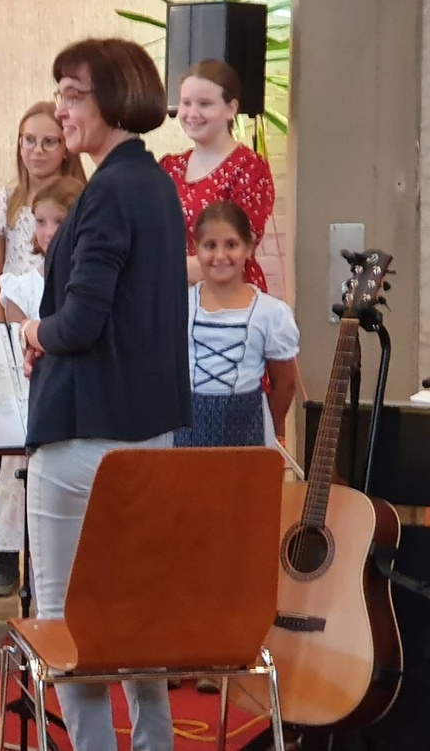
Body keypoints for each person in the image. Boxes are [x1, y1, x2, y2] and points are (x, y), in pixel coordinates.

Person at [18, 38, 191, 751]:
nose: (60, 109)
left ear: (115, 98)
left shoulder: (108, 192)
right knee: (135, 610)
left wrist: (34, 331)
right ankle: (153, 742)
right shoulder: (153, 184)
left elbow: (82, 322)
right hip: (149, 434)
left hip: (85, 433)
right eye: (59, 93)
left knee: (67, 619)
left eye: (72, 94)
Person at [176, 200, 299, 694]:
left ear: (250, 247)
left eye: (231, 244)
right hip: (185, 434)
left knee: (232, 545)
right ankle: (178, 646)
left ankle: (223, 649)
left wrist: (273, 430)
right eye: (209, 245)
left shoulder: (270, 313)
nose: (220, 254)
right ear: (196, 249)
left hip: (244, 431)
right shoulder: (180, 304)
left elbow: (284, 382)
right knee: (185, 541)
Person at [0, 102, 86, 597]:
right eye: (29, 140)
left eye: (49, 141)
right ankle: (6, 552)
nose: (38, 150)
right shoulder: (4, 204)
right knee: (10, 450)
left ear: (66, 147)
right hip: (17, 324)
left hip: (65, 328)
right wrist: (3, 337)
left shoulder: (84, 199)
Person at [0, 177, 85, 556]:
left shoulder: (86, 286)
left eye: (59, 221)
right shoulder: (21, 286)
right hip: (33, 398)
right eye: (41, 222)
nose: (48, 232)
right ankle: (10, 557)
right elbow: (19, 347)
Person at [159, 59, 275, 291]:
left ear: (231, 109)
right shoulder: (169, 167)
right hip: (174, 295)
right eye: (186, 103)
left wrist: (162, 266)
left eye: (204, 104)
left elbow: (234, 254)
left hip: (229, 298)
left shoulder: (249, 167)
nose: (192, 113)